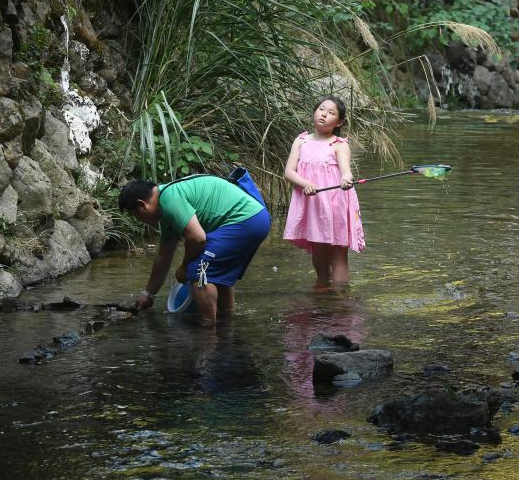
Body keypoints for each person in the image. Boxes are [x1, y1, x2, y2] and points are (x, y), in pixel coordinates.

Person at [118, 175, 270, 324]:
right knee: (216, 272)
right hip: (256, 218)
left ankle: (208, 332)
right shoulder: (166, 208)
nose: (141, 222)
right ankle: (226, 323)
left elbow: (198, 238)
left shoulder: (169, 199)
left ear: (142, 205)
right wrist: (148, 295)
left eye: (137, 217)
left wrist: (184, 267)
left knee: (198, 270)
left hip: (245, 220)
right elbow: (163, 257)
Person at [282, 96, 366, 285]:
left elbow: (346, 172)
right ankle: (323, 291)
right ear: (315, 111)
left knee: (338, 252)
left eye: (331, 113)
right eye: (321, 109)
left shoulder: (338, 144)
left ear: (339, 121)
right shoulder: (301, 140)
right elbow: (288, 172)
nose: (324, 114)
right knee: (318, 248)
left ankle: (339, 298)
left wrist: (346, 179)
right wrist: (305, 184)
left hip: (335, 201)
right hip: (312, 203)